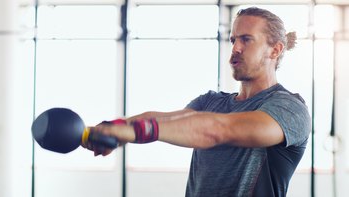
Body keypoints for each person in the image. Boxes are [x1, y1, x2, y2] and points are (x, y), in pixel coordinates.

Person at [82, 6, 311, 197]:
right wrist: (113, 128)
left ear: (275, 50)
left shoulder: (289, 108)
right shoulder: (210, 102)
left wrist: (137, 131)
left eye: (246, 40)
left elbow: (218, 130)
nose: (235, 48)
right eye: (233, 40)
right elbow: (166, 118)